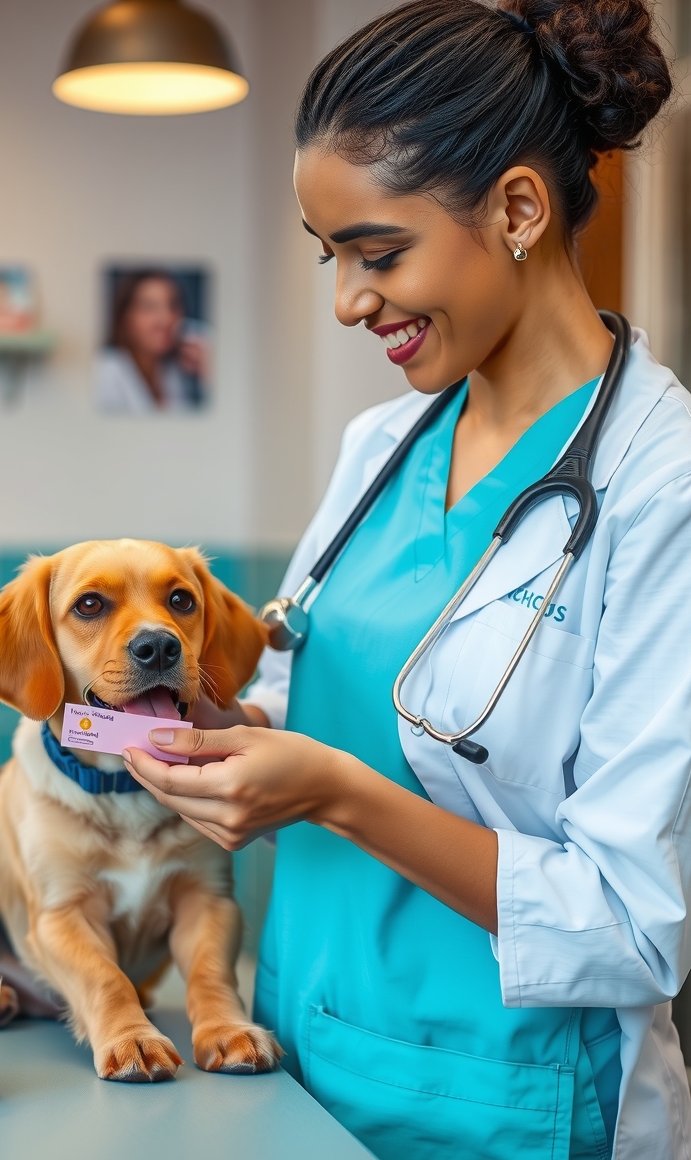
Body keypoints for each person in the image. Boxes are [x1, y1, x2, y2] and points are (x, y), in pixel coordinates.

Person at [123, 2, 688, 1157]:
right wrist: (216, 732)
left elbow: (633, 926)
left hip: (510, 1102)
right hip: (291, 1056)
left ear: (518, 209)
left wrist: (329, 791)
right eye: (329, 255)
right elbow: (321, 715)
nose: (346, 300)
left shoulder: (658, 486)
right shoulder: (380, 448)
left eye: (377, 253)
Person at [94, 269, 208, 413]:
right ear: (125, 318)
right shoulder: (106, 372)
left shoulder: (174, 373)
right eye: (149, 307)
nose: (166, 319)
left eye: (173, 305)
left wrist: (212, 372)